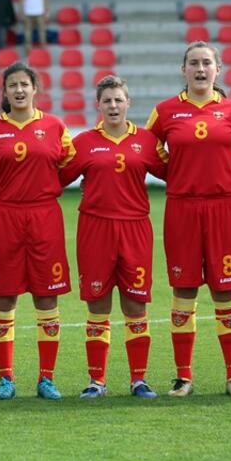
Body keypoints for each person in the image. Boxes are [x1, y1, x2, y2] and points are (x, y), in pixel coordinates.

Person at [145, 41, 231, 398]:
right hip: (182, 208)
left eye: (207, 62)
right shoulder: (165, 112)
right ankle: (183, 377)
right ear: (183, 70)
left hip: (223, 208)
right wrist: (174, 175)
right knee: (184, 288)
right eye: (193, 63)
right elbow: (147, 150)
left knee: (225, 288)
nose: (200, 69)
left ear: (218, 69)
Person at [59, 75, 167, 400]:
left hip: (135, 228)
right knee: (97, 305)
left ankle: (139, 380)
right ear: (99, 105)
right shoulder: (84, 142)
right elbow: (58, 177)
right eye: (107, 100)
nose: (113, 105)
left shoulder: (146, 141)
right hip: (95, 229)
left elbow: (174, 173)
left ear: (128, 103)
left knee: (136, 305)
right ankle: (97, 381)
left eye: (119, 100)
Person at [0, 63, 75, 400]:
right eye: (12, 85)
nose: (18, 90)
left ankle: (47, 378)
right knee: (5, 296)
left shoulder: (55, 126)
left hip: (44, 216)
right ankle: (6, 379)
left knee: (47, 295)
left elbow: (69, 167)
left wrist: (42, 189)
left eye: (24, 84)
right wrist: (6, 190)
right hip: (6, 217)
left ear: (35, 89)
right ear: (4, 92)